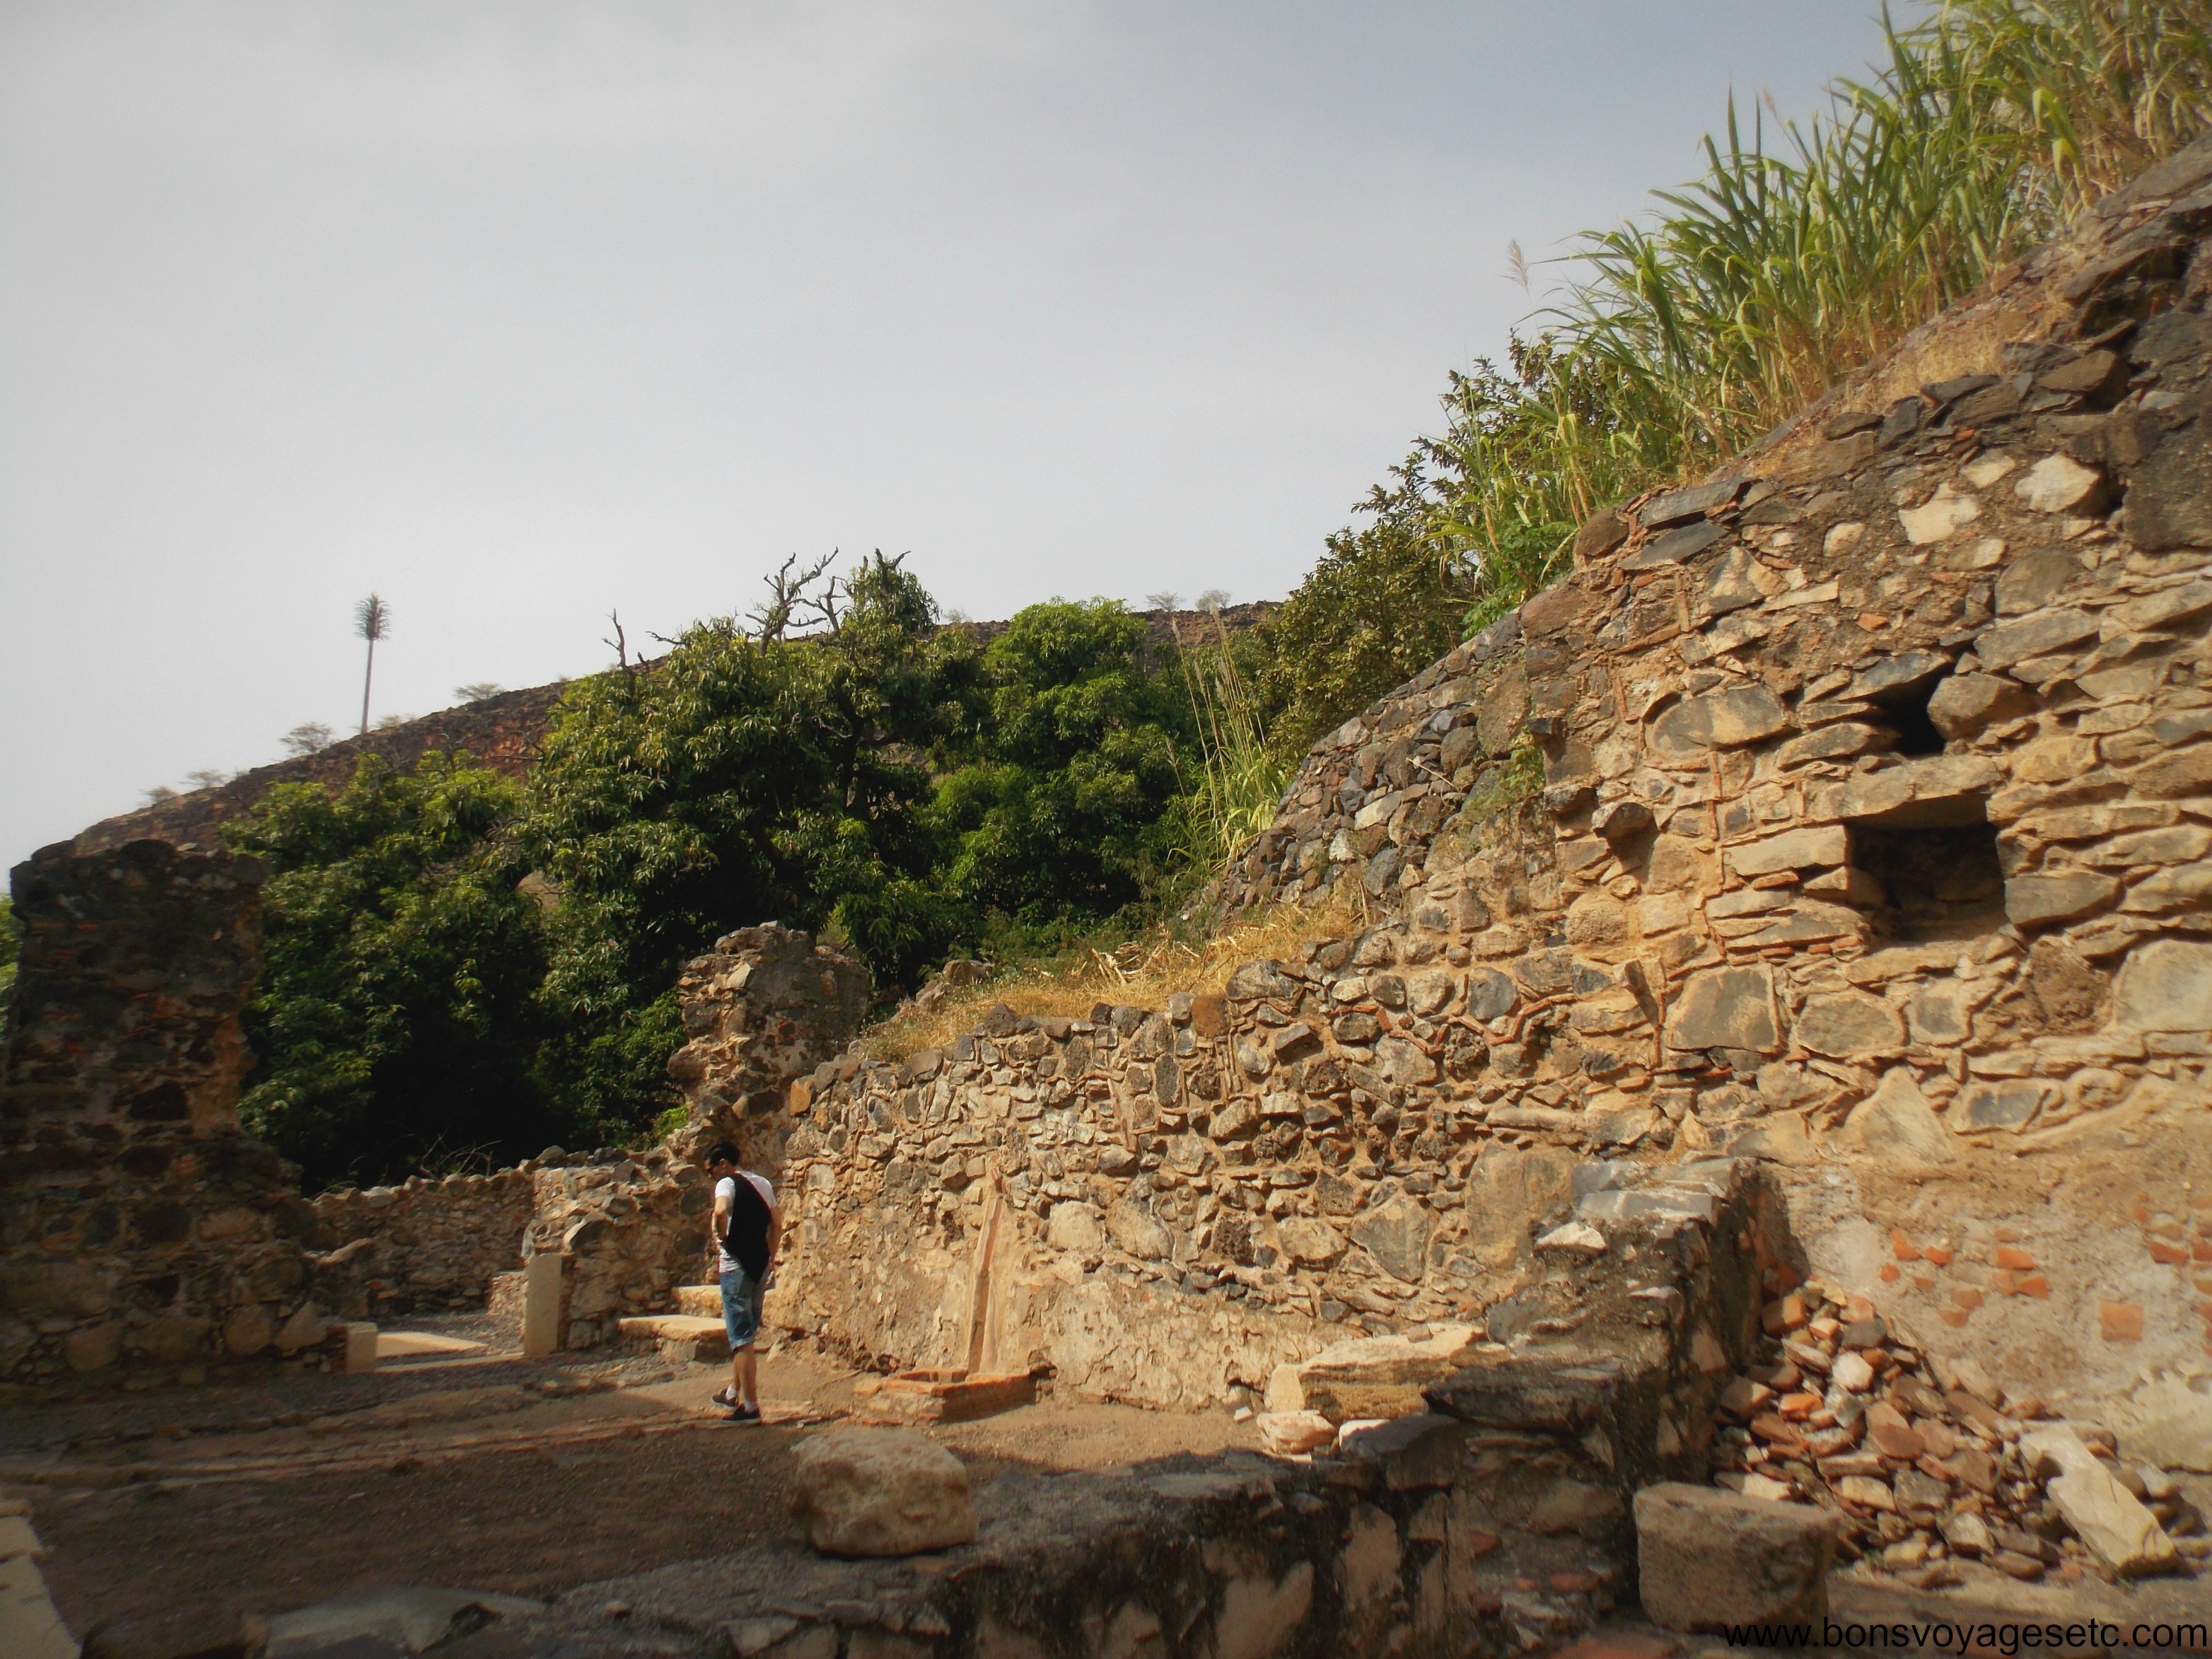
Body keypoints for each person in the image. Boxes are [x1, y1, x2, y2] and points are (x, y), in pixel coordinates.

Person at [704, 1141, 780, 1424]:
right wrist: (771, 1256)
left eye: (710, 1170)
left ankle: (750, 1407)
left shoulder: (726, 1184)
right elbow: (777, 1223)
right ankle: (732, 1391)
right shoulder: (762, 1183)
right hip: (759, 1266)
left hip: (734, 1266)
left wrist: (723, 1237)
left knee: (741, 1339)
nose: (711, 1176)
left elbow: (720, 1211)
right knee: (747, 1333)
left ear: (723, 1164)